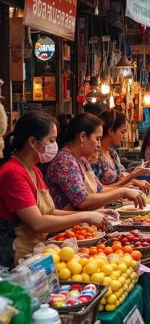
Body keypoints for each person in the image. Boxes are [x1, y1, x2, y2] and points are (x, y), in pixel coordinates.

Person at [0, 112, 111, 267]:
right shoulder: (13, 172)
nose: (55, 145)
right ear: (32, 141)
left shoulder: (34, 170)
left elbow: (50, 211)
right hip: (17, 258)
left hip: (37, 253)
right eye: (51, 140)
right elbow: (37, 223)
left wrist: (92, 214)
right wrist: (84, 216)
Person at [45, 113, 145, 211]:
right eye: (97, 139)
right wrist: (122, 192)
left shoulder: (82, 160)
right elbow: (82, 201)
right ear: (83, 137)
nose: (99, 144)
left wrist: (127, 190)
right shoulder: (65, 161)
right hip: (68, 226)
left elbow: (100, 189)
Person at [92, 110, 150, 192]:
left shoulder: (113, 153)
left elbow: (121, 176)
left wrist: (134, 171)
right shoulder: (94, 156)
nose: (124, 136)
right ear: (110, 131)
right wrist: (133, 177)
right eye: (122, 132)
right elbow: (97, 189)